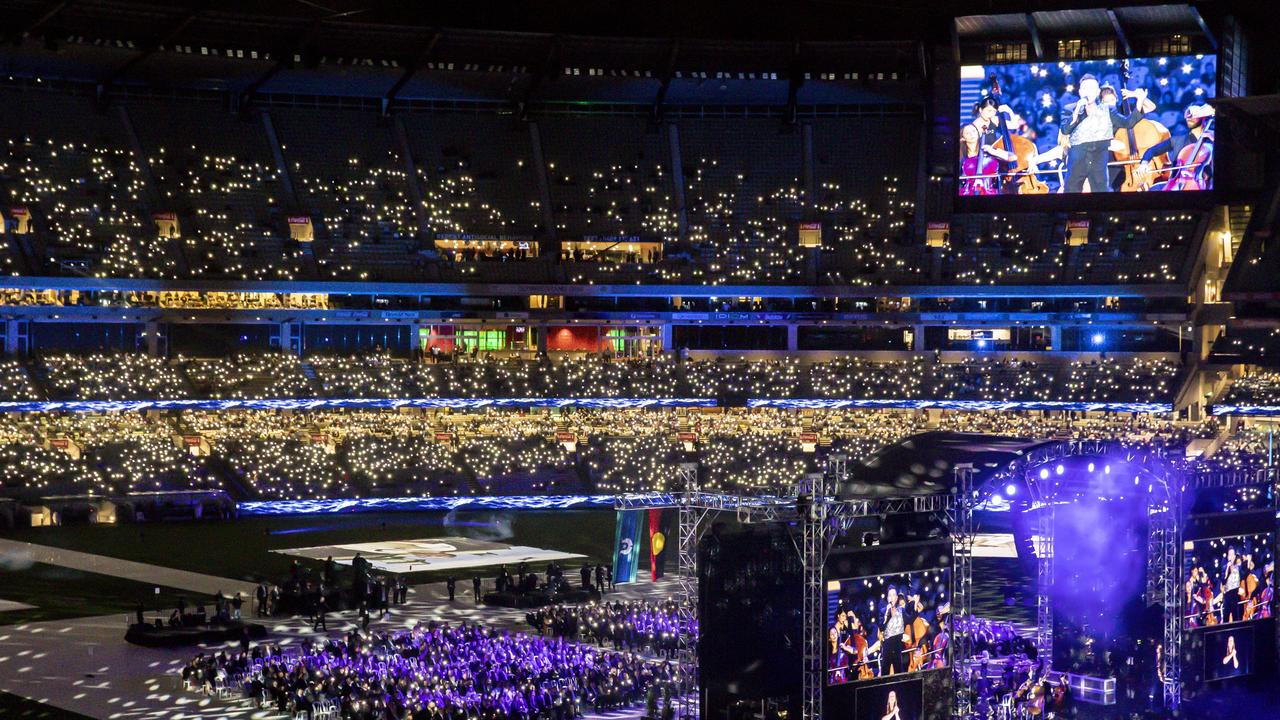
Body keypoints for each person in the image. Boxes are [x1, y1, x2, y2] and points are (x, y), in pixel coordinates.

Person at [1058, 74, 1149, 193]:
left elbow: (1128, 123)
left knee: (1100, 193)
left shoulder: (1108, 109)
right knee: (1071, 193)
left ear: (1097, 92)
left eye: (1092, 89)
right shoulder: (1070, 109)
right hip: (1077, 160)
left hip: (1099, 159)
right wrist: (1076, 112)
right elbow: (1065, 130)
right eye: (1085, 88)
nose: (1088, 92)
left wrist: (1140, 101)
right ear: (1080, 92)